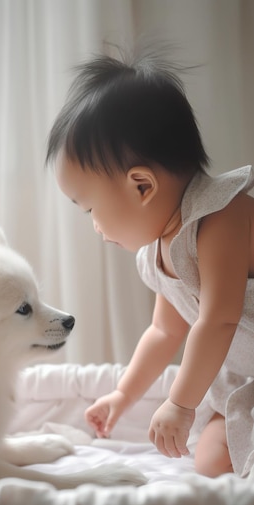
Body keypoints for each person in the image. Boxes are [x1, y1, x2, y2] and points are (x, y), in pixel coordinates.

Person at [45, 47, 254, 478]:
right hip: (241, 381)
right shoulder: (157, 252)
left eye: (89, 210)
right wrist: (123, 395)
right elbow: (164, 331)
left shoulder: (222, 218)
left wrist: (180, 403)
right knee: (211, 463)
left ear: (142, 186)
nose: (96, 228)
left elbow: (218, 320)